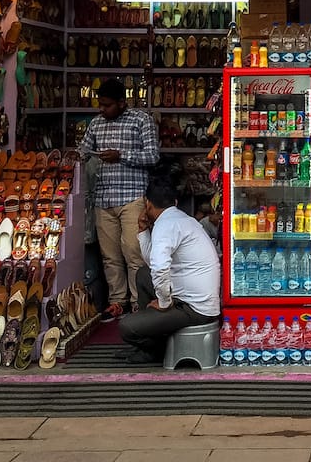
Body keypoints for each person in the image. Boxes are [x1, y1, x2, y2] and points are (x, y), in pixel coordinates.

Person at [77, 78, 160, 322]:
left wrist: (121, 156)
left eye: (107, 105)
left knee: (134, 253)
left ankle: (138, 302)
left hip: (132, 197)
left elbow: (153, 156)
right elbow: (83, 152)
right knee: (110, 257)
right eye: (100, 105)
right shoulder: (96, 124)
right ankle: (117, 302)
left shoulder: (141, 120)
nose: (102, 109)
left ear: (122, 103)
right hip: (104, 199)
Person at [117, 180, 221, 364]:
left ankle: (153, 348)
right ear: (174, 202)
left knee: (126, 327)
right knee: (142, 274)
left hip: (194, 308)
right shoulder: (179, 219)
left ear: (147, 203)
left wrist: (164, 302)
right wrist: (143, 231)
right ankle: (147, 344)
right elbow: (152, 263)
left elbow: (159, 267)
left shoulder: (166, 225)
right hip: (186, 296)